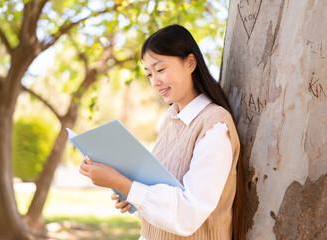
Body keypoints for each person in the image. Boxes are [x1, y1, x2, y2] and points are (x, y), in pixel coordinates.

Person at [79, 24, 245, 240]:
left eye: (160, 69)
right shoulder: (169, 122)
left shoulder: (215, 125)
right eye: (149, 74)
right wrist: (132, 196)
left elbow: (188, 215)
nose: (155, 82)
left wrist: (124, 184)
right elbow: (164, 200)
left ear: (190, 62)